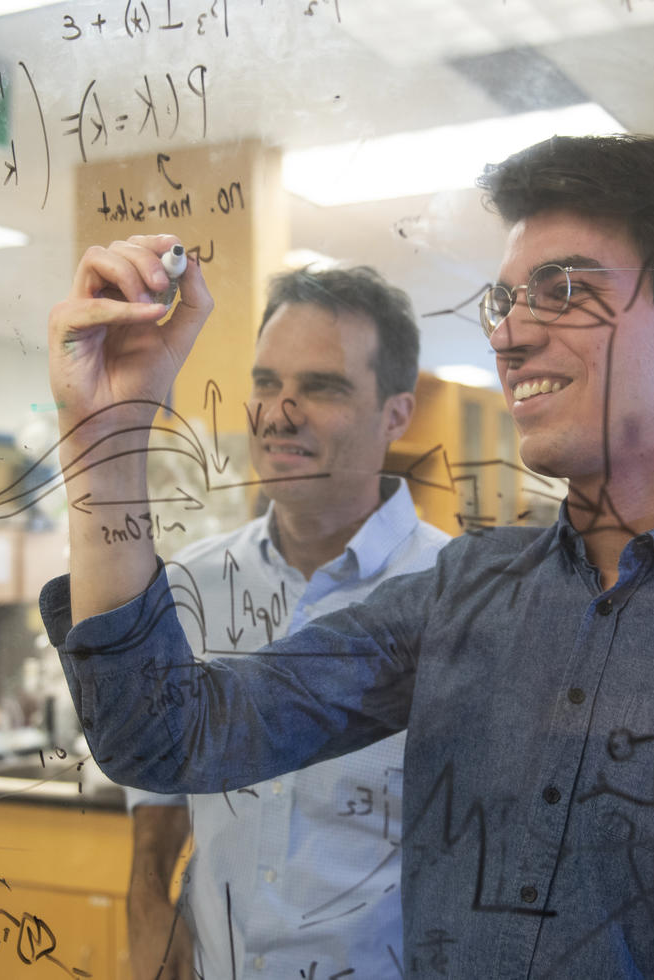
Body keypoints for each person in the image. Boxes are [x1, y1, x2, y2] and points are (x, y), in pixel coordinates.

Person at [42, 134, 654, 978]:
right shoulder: (459, 593)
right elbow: (163, 734)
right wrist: (108, 433)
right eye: (504, 301)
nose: (510, 334)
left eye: (563, 289)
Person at [90, 264, 448, 979]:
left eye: (322, 387)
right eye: (265, 383)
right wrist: (147, 904)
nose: (280, 412)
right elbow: (160, 778)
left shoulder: (457, 598)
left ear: (397, 414)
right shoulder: (190, 583)